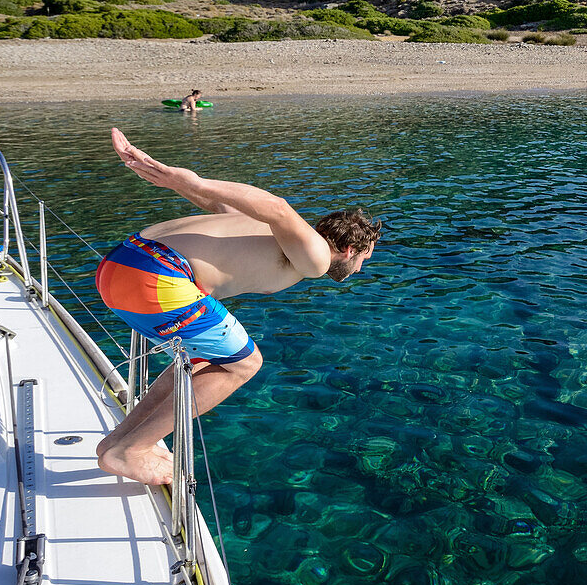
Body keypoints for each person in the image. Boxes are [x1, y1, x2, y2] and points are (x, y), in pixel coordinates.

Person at [95, 128, 381, 485]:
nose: (359, 270)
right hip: (157, 276)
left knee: (201, 361)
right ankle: (130, 451)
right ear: (350, 250)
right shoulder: (318, 256)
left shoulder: (264, 230)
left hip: (119, 266)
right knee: (246, 364)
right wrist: (191, 179)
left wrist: (172, 182)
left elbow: (219, 205)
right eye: (363, 261)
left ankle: (120, 441)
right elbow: (277, 206)